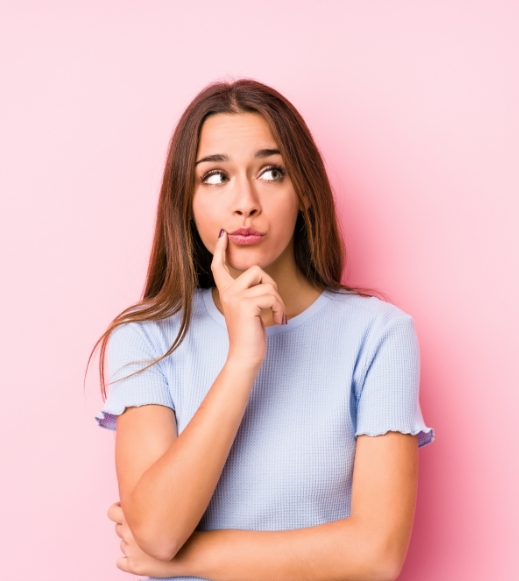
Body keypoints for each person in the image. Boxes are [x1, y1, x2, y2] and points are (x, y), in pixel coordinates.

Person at [92, 78, 434, 581]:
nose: (245, 202)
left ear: (307, 193)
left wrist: (186, 560)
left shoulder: (379, 335)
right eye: (215, 177)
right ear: (184, 201)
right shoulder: (146, 338)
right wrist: (242, 360)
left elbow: (376, 553)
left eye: (272, 172)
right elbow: (157, 530)